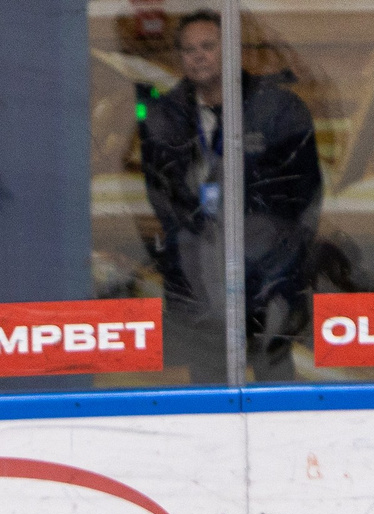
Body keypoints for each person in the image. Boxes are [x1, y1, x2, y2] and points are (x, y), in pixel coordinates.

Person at [138, 9, 322, 380]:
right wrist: (186, 256)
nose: (198, 55)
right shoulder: (164, 117)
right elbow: (161, 198)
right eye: (189, 49)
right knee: (209, 393)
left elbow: (305, 195)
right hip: (200, 286)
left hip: (269, 281)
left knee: (277, 386)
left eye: (208, 46)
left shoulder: (278, 109)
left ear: (232, 51)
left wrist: (281, 263)